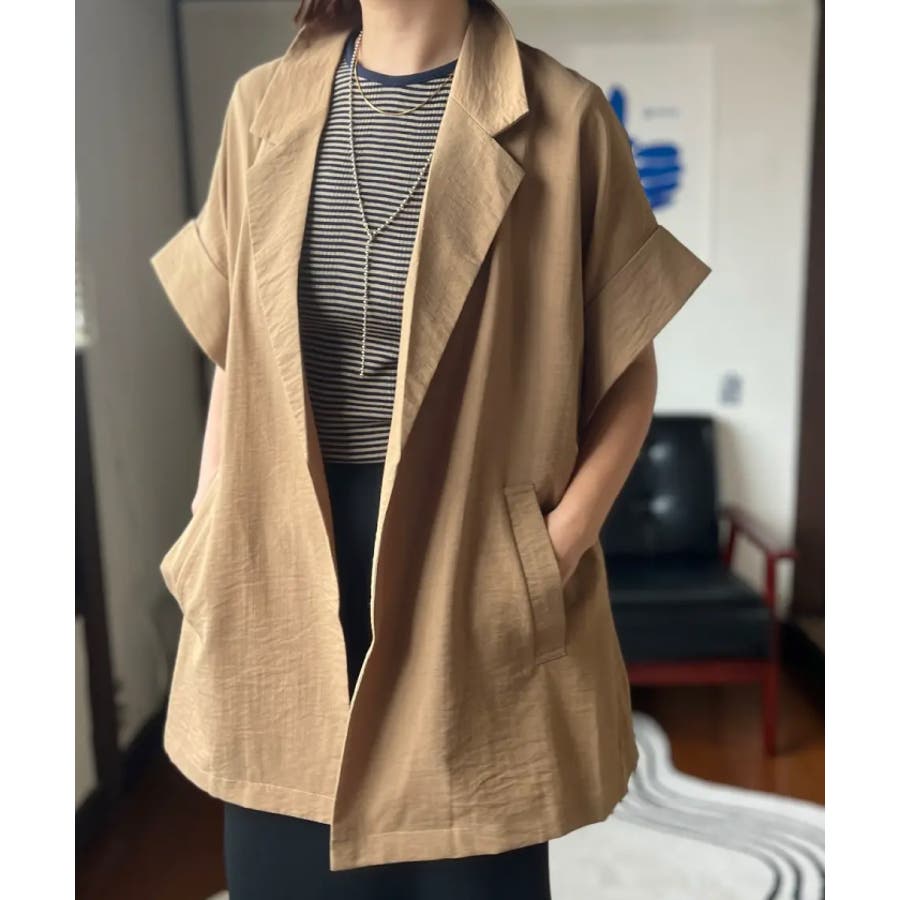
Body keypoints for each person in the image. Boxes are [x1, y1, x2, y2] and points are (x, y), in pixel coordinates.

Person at [149, 0, 711, 897]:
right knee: (287, 866)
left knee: (468, 867)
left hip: (470, 560)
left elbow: (628, 373)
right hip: (278, 555)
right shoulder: (260, 106)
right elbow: (233, 339)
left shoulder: (566, 118)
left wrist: (552, 550)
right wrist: (208, 503)